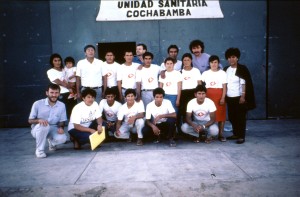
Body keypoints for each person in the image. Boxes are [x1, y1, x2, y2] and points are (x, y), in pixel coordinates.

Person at [224, 48, 256, 144]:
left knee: (240, 117)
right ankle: (235, 133)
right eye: (229, 57)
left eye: (233, 57)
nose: (231, 59)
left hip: (239, 97)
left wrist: (243, 96)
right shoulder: (226, 69)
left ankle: (241, 136)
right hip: (229, 97)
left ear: (237, 58)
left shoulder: (242, 68)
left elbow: (244, 83)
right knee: (232, 116)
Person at [28, 84, 68, 158]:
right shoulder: (37, 104)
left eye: (56, 93)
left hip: (53, 128)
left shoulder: (62, 105)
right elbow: (30, 120)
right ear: (47, 93)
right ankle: (39, 151)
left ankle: (52, 143)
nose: (54, 95)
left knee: (63, 138)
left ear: (59, 93)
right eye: (51, 92)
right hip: (38, 129)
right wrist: (39, 120)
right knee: (44, 126)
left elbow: (62, 121)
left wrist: (61, 128)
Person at [202, 55, 227, 142]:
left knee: (221, 115)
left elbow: (224, 87)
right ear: (209, 63)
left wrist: (223, 97)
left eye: (215, 62)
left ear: (218, 63)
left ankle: (220, 134)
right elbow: (201, 86)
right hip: (208, 96)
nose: (214, 64)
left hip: (219, 95)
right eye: (212, 62)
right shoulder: (205, 73)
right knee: (209, 115)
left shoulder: (223, 73)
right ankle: (210, 134)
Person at [47, 53, 76, 118]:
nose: (58, 62)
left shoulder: (64, 69)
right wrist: (69, 86)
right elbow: (58, 81)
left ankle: (71, 127)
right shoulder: (50, 71)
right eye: (55, 60)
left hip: (70, 93)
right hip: (61, 94)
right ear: (52, 62)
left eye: (59, 60)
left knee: (71, 112)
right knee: (60, 114)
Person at [180, 53, 202, 125]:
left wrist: (199, 94)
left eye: (188, 60)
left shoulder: (196, 71)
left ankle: (196, 129)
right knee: (184, 112)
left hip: (193, 93)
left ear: (191, 61)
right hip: (183, 94)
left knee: (194, 111)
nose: (186, 62)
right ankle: (185, 130)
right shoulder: (180, 72)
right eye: (184, 60)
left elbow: (199, 83)